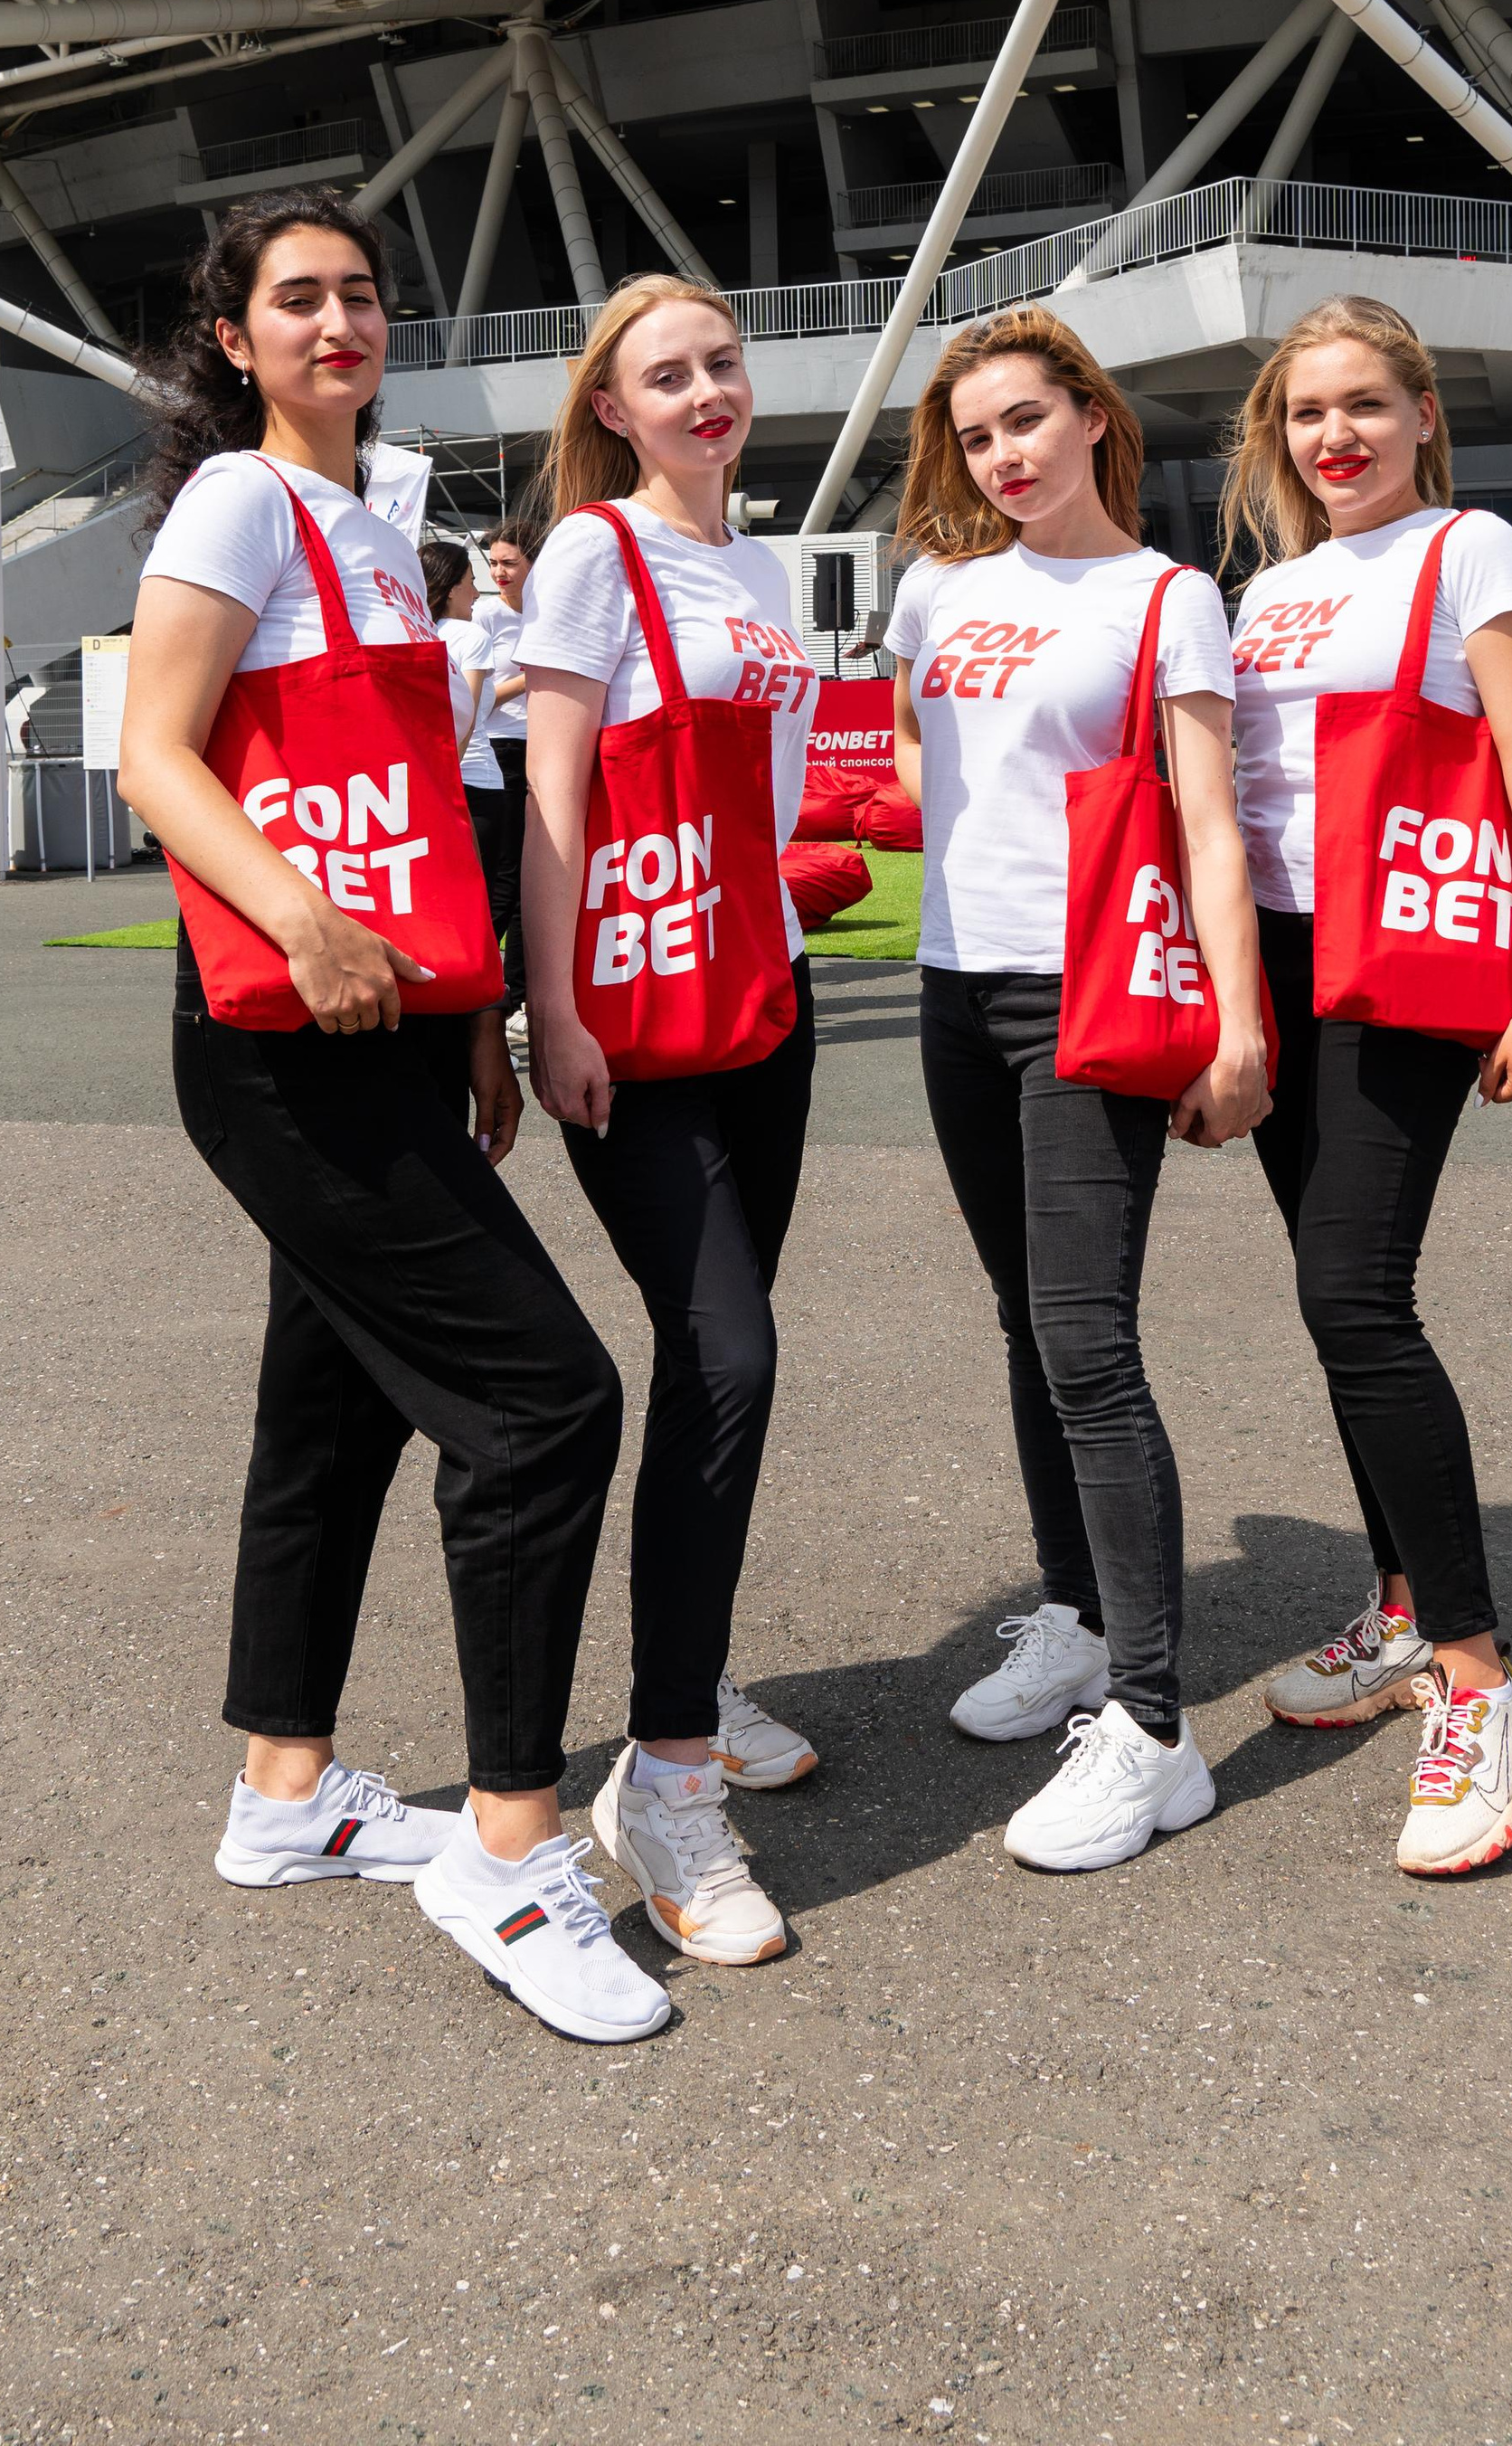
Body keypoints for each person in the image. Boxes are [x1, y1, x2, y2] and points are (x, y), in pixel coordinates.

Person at [118, 188, 668, 2046]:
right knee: (544, 1406)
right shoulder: (236, 505)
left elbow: (420, 797)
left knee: (332, 1409)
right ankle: (507, 1854)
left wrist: (482, 1021)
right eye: (298, 299)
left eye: (360, 292)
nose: (336, 320)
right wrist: (299, 918)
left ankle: (284, 1796)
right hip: (279, 1029)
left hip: (388, 1023)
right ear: (236, 340)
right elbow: (153, 753)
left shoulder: (378, 525)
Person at [887, 304, 1270, 1876]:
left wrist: (1240, 1030)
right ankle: (1073, 1613)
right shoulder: (938, 588)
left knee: (1087, 1344)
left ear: (1093, 417)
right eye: (977, 436)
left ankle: (1154, 1725)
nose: (1004, 455)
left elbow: (1210, 823)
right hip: (951, 987)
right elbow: (928, 768)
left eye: (1029, 422)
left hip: (1088, 996)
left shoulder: (1166, 597)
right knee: (1019, 1318)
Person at [1228, 295, 1512, 1877]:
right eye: (1309, 412)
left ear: (1424, 412)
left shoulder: (1473, 550)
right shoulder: (1275, 585)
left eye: (1367, 403)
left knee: (1353, 1294)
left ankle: (1485, 1681)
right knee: (1330, 1298)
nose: (1338, 436)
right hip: (1281, 965)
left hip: (1407, 954)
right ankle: (1399, 1607)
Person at [519, 272, 822, 1969]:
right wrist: (549, 1005)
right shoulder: (593, 552)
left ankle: (686, 1683)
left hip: (758, 1007)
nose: (705, 391)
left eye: (721, 362)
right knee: (730, 1355)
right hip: (635, 1014)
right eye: (666, 375)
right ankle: (669, 1782)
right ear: (614, 410)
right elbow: (557, 786)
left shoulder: (758, 569)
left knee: (721, 1360)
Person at [471, 517, 540, 1042]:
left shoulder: (547, 612)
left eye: (508, 563)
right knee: (507, 877)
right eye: (493, 562)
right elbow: (481, 698)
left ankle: (512, 992)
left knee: (529, 878)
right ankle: (497, 990)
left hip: (544, 748)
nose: (498, 572)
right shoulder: (482, 615)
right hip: (496, 752)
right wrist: (531, 676)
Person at [427, 535, 506, 895]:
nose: (477, 593)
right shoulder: (471, 636)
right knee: (485, 899)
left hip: (425, 781)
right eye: (472, 582)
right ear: (450, 588)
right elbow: (466, 717)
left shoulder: (411, 631)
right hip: (473, 782)